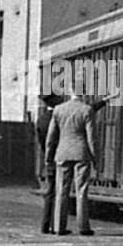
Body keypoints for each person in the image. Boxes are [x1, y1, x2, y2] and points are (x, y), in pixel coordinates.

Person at [44, 88, 97, 236]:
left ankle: (58, 227)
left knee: (61, 190)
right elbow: (91, 137)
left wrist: (48, 156)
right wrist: (94, 157)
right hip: (81, 153)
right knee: (81, 191)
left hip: (62, 153)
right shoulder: (87, 110)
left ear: (70, 92)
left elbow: (51, 137)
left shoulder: (58, 110)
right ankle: (83, 227)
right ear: (84, 93)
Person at [35, 94, 62, 233]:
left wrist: (47, 156)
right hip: (61, 158)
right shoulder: (59, 118)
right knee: (60, 192)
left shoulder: (41, 119)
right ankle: (56, 225)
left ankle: (45, 225)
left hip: (49, 159)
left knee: (50, 192)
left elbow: (41, 141)